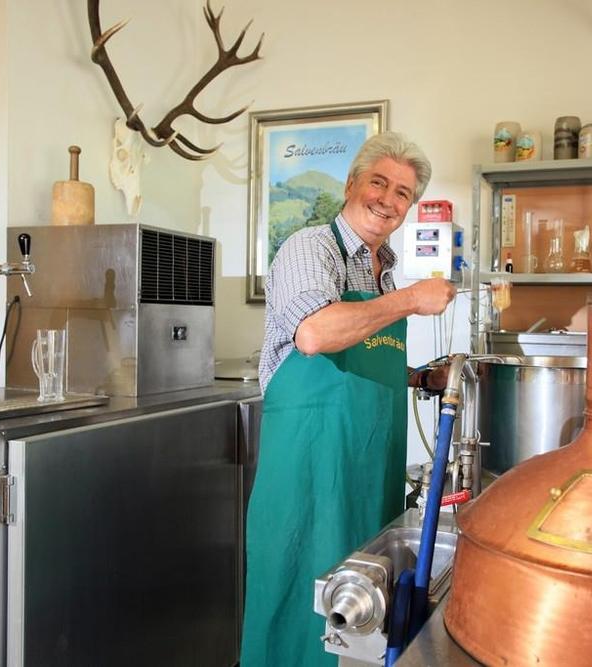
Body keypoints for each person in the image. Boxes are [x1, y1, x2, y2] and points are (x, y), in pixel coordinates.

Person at [241, 132, 455, 666]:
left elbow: (364, 357)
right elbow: (316, 333)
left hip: (368, 475)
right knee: (298, 603)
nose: (388, 200)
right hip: (309, 476)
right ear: (351, 184)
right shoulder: (310, 248)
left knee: (360, 610)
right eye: (379, 183)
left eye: (403, 192)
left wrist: (422, 378)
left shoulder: (381, 269)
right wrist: (411, 299)